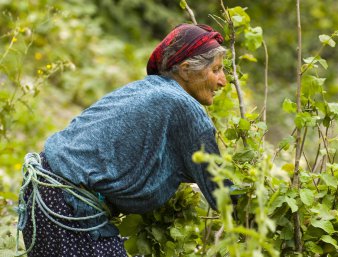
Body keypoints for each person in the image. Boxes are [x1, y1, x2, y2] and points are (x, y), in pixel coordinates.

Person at [17, 23, 230, 257]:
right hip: (66, 204)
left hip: (41, 191)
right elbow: (221, 191)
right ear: (187, 70)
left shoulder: (148, 88)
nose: (223, 81)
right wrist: (261, 214)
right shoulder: (184, 107)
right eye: (216, 70)